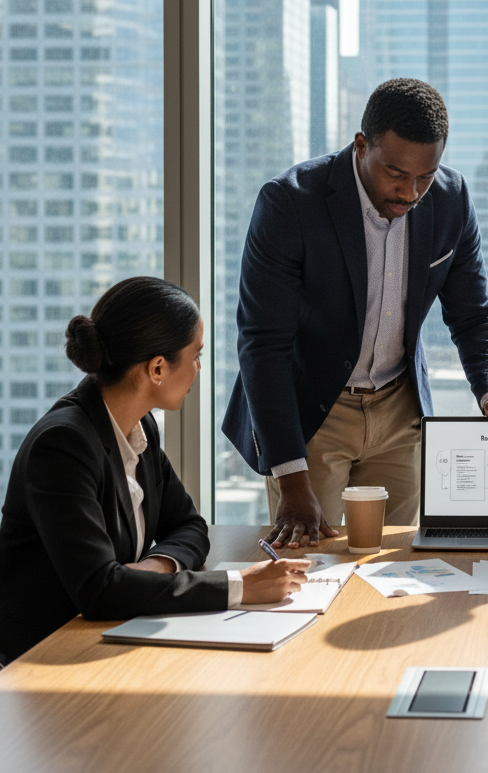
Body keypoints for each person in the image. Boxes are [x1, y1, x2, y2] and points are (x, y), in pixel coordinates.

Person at [223, 78, 488, 547]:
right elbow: (262, 345)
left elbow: (474, 314)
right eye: (395, 173)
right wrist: (292, 480)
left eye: (425, 176)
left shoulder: (451, 200)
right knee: (313, 562)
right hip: (315, 411)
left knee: (399, 562)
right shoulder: (290, 202)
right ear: (360, 146)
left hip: (399, 410)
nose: (411, 192)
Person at [0, 277, 308, 666]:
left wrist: (153, 568)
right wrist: (239, 586)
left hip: (108, 641)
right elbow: (100, 590)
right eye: (195, 354)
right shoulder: (63, 445)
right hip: (45, 660)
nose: (199, 368)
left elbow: (191, 526)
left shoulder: (139, 427)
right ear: (157, 368)